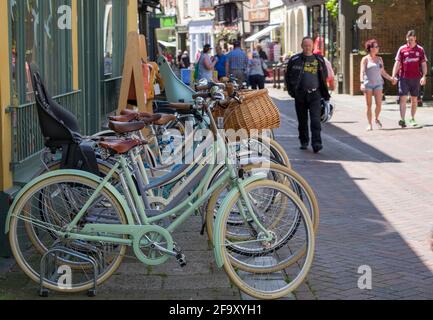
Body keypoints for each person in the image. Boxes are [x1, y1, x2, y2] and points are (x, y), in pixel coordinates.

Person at [285, 36, 331, 154]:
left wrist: (324, 93)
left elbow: (324, 76)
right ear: (302, 46)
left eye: (309, 45)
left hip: (315, 94)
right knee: (302, 120)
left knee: (315, 120)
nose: (307, 48)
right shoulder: (294, 59)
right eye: (305, 45)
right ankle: (304, 141)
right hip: (300, 94)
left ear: (313, 46)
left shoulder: (319, 60)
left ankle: (317, 143)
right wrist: (292, 92)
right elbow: (287, 76)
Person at [392, 30, 427, 128]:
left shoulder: (420, 50)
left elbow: (424, 64)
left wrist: (424, 76)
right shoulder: (402, 49)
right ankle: (402, 120)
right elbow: (397, 63)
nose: (409, 42)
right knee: (402, 98)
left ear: (415, 38)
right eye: (408, 40)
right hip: (403, 78)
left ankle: (412, 118)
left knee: (414, 99)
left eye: (411, 40)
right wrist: (394, 76)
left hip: (416, 78)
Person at [359, 40, 395, 131]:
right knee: (369, 105)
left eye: (377, 46)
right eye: (376, 46)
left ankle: (376, 118)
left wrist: (391, 78)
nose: (378, 48)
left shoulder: (380, 59)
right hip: (368, 85)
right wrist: (362, 83)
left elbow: (382, 72)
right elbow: (362, 72)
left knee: (379, 105)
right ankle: (369, 124)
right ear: (371, 48)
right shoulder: (365, 59)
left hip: (378, 84)